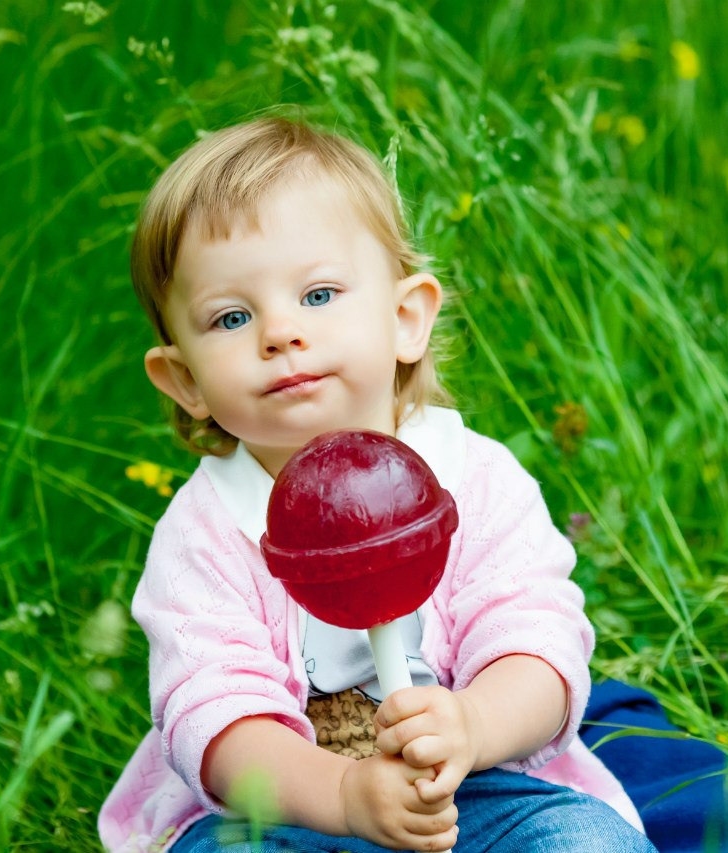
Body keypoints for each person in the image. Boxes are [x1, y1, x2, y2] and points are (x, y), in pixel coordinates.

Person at [97, 116, 656, 853]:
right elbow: (216, 714)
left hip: (474, 788)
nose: (280, 333)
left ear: (405, 318)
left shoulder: (476, 479)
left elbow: (536, 641)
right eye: (231, 316)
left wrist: (474, 724)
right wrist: (342, 796)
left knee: (582, 838)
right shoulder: (204, 533)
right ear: (185, 381)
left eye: (318, 295)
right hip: (287, 812)